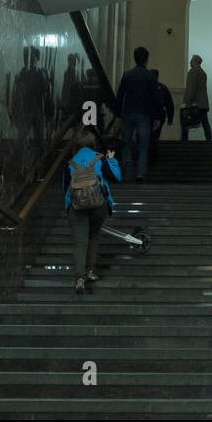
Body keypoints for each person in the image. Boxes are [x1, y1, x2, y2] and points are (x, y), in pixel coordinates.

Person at [63, 129, 120, 295]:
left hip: (76, 206)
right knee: (93, 236)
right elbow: (116, 177)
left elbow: (65, 189)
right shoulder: (99, 158)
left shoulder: (69, 163)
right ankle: (90, 271)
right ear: (92, 143)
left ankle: (79, 278)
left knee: (80, 242)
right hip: (98, 204)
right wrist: (112, 160)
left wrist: (68, 208)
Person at [111, 46, 159, 182]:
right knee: (143, 145)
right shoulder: (150, 76)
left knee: (126, 142)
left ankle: (128, 162)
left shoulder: (127, 75)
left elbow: (120, 96)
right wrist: (156, 117)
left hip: (128, 112)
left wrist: (118, 115)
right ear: (146, 59)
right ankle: (140, 174)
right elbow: (154, 98)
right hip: (144, 114)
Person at [10, 46, 55, 180]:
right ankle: (23, 169)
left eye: (31, 57)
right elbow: (17, 95)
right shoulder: (24, 73)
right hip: (28, 111)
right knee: (24, 140)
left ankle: (36, 169)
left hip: (35, 111)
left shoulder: (37, 73)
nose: (29, 60)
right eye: (27, 57)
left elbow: (46, 92)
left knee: (36, 140)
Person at [181, 54, 212, 140]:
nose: (190, 62)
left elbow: (191, 88)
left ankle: (184, 140)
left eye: (191, 60)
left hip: (195, 103)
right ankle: (209, 139)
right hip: (203, 103)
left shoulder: (192, 72)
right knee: (205, 122)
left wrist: (187, 102)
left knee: (185, 121)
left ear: (195, 61)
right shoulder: (203, 73)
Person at [150, 79, 175, 162]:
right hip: (159, 115)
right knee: (156, 134)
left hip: (147, 115)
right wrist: (170, 118)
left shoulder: (145, 87)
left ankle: (149, 153)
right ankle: (154, 152)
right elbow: (169, 104)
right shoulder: (163, 88)